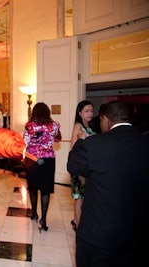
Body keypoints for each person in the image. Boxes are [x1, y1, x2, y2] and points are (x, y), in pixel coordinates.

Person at [67, 101, 149, 267]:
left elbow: (73, 165)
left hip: (99, 234)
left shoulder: (95, 144)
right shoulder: (144, 142)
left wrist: (81, 141)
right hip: (138, 234)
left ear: (104, 119)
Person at [23, 102, 61, 233]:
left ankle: (34, 213)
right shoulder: (55, 125)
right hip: (48, 160)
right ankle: (43, 218)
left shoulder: (29, 126)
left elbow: (25, 142)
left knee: (33, 188)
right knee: (46, 190)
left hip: (32, 159)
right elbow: (57, 139)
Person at [70, 100, 95, 232]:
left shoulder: (90, 126)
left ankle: (76, 220)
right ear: (80, 113)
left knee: (84, 196)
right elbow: (73, 147)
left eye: (91, 111)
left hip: (88, 165)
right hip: (80, 165)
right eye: (86, 111)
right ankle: (79, 226)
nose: (90, 113)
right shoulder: (78, 126)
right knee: (79, 197)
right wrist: (82, 139)